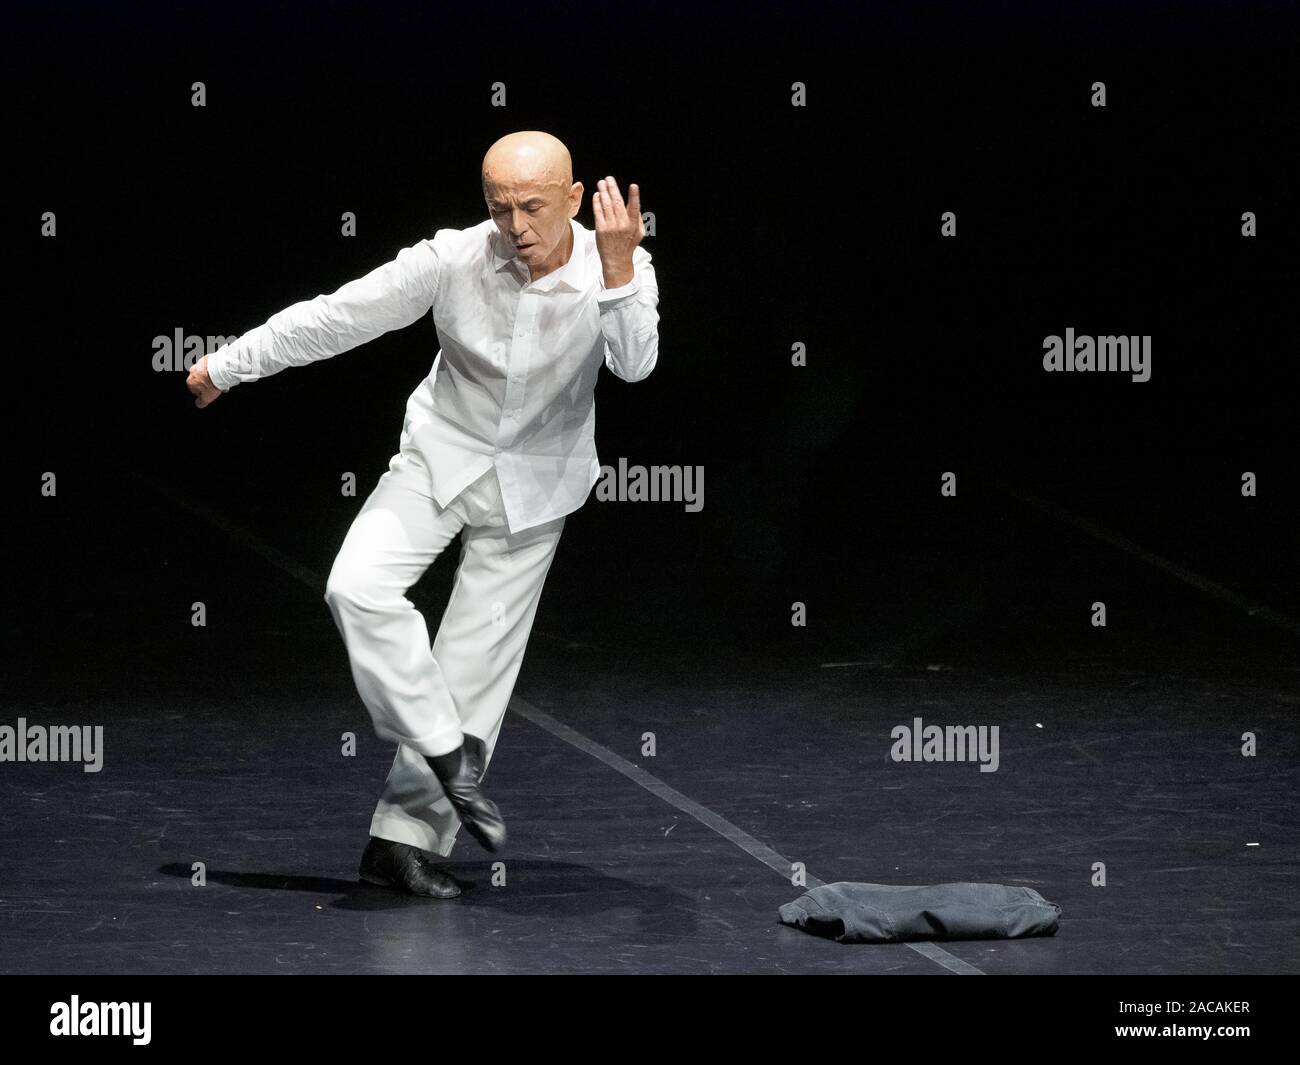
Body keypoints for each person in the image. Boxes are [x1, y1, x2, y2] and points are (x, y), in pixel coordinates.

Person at [185, 130, 659, 898]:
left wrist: (615, 270)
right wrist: (230, 364)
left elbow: (636, 364)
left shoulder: (621, 265)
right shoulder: (451, 258)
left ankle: (401, 844)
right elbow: (339, 317)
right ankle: (443, 745)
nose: (516, 227)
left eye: (533, 206)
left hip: (535, 487)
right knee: (355, 585)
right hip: (440, 457)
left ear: (575, 199)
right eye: (499, 207)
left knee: (473, 667)